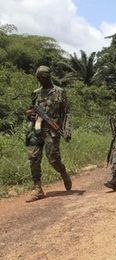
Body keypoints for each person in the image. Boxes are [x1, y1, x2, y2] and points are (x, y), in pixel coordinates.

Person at [25, 65, 72, 203]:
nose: (41, 80)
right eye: (39, 78)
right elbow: (30, 110)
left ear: (49, 76)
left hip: (52, 130)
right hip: (36, 129)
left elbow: (67, 112)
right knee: (33, 157)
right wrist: (30, 115)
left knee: (53, 159)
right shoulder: (36, 93)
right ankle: (37, 188)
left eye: (44, 77)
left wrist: (67, 129)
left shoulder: (59, 92)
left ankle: (63, 172)